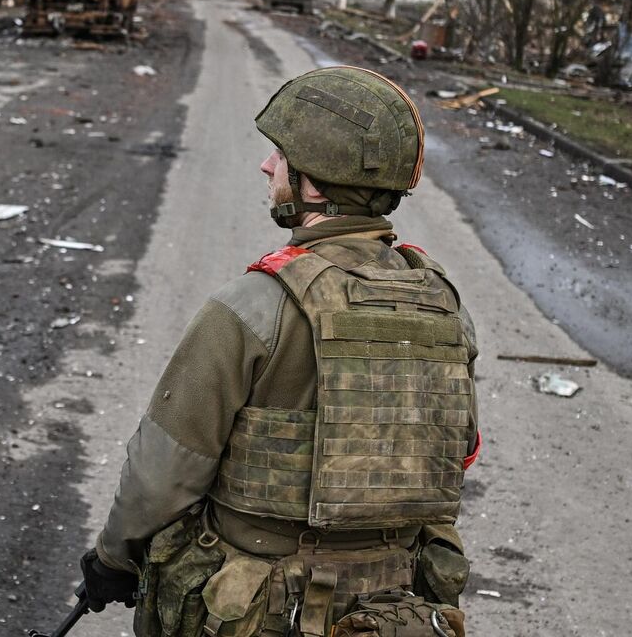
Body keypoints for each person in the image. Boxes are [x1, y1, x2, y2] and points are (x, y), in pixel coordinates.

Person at [78, 65, 479, 637]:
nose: (268, 166)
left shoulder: (253, 304)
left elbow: (162, 475)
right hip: (398, 606)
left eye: (281, 156)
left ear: (314, 183)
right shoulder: (444, 307)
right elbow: (459, 451)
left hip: (265, 609)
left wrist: (114, 559)